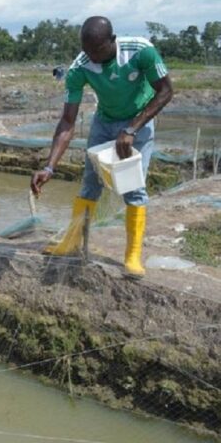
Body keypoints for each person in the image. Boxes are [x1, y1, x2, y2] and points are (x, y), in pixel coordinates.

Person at [30, 16, 173, 278]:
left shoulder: (141, 51)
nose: (92, 57)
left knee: (133, 187)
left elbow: (165, 91)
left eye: (98, 50)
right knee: (90, 184)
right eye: (87, 51)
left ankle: (132, 256)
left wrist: (132, 128)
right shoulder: (80, 67)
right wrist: (49, 167)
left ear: (112, 40)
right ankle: (71, 242)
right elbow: (67, 122)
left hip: (138, 122)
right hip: (104, 123)